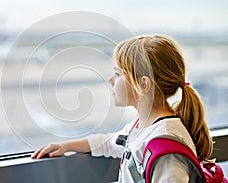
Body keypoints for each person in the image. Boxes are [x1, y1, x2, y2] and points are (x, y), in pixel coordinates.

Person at [32, 34, 213, 182]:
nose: (111, 80)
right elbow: (109, 143)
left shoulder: (166, 146)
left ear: (143, 84)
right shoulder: (141, 127)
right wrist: (66, 146)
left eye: (118, 74)